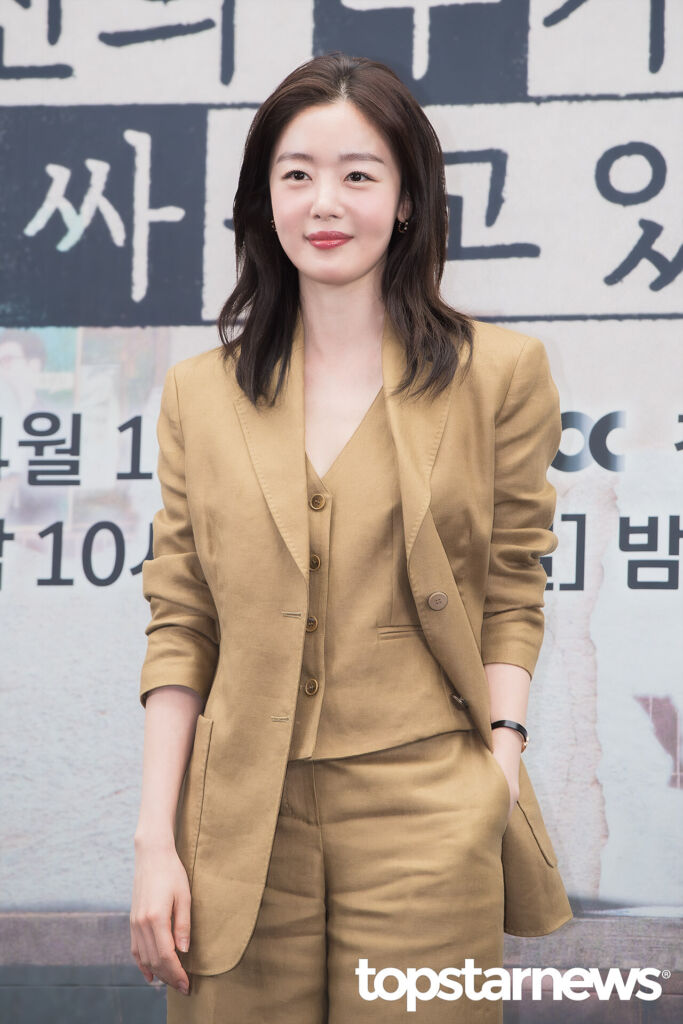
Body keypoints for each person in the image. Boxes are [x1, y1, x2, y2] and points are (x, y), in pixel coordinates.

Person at [130, 51, 572, 1023]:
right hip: (236, 826)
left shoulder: (498, 373)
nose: (324, 202)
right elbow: (181, 618)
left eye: (358, 175)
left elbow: (510, 583)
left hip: (428, 811)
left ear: (406, 201)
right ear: (264, 199)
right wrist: (155, 839)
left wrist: (497, 766)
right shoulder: (198, 392)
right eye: (296, 174)